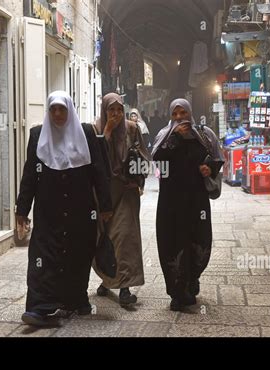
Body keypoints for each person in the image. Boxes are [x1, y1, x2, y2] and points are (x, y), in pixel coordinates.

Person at [16, 91, 112, 326]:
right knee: (42, 257)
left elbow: (99, 172)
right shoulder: (38, 135)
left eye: (62, 109)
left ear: (69, 111)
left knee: (78, 254)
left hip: (81, 210)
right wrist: (22, 210)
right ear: (48, 112)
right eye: (53, 109)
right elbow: (29, 175)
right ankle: (39, 307)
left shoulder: (87, 134)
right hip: (48, 211)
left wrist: (105, 205)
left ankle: (77, 299)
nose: (58, 114)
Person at [152, 98, 224, 311]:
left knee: (198, 239)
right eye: (175, 114)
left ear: (190, 113)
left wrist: (209, 168)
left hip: (196, 199)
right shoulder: (165, 136)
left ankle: (192, 279)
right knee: (172, 241)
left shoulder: (204, 135)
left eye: (183, 113)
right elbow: (157, 160)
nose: (179, 118)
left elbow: (217, 158)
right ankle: (176, 291)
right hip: (170, 201)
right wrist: (174, 138)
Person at [93, 93, 151, 307]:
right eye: (111, 110)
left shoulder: (132, 128)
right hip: (104, 193)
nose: (116, 114)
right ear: (105, 110)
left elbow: (144, 155)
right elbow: (94, 159)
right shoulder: (95, 128)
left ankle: (125, 287)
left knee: (125, 237)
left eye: (119, 110)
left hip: (126, 191)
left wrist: (138, 180)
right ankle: (108, 280)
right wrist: (107, 131)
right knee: (105, 236)